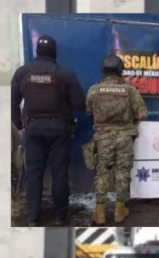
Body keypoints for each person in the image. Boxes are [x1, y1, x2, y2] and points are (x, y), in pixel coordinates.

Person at [11, 35, 86, 226]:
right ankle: (61, 216)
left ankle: (33, 217)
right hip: (58, 129)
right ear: (54, 52)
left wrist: (19, 124)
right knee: (59, 173)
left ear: (37, 51)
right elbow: (79, 103)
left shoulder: (22, 73)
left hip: (33, 128)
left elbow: (13, 101)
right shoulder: (64, 74)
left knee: (34, 174)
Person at [85, 55, 148, 225]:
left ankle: (99, 213)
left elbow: (89, 111)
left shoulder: (94, 90)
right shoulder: (130, 91)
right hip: (124, 138)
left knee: (102, 173)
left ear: (103, 70)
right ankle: (119, 211)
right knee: (122, 173)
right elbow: (142, 114)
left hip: (102, 139)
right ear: (121, 71)